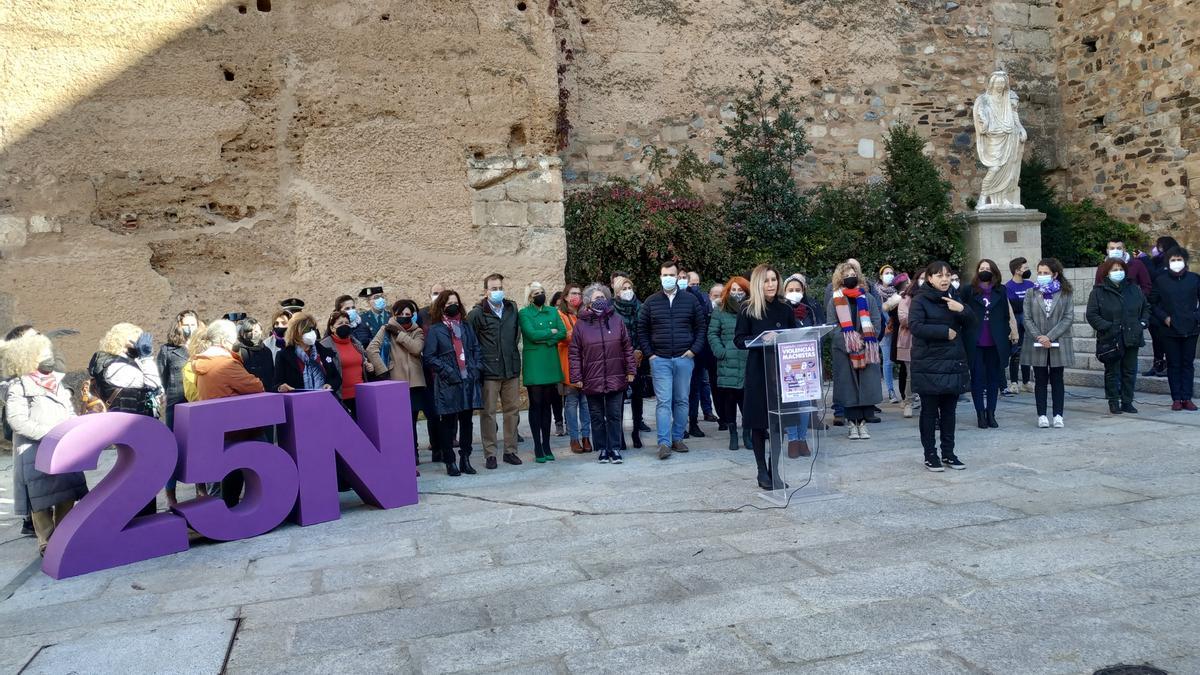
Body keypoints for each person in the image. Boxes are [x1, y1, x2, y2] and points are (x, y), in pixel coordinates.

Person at [2, 332, 89, 555]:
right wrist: (50, 434)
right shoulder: (19, 386)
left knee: (66, 491)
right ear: (30, 356)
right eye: (43, 352)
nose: (48, 356)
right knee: (40, 499)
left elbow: (69, 410)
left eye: (48, 351)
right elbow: (16, 420)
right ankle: (47, 542)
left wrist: (72, 429)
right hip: (34, 450)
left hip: (63, 448)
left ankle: (65, 535)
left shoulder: (58, 383)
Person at [734, 264, 799, 488]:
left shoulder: (785, 308)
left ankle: (775, 470)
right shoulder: (748, 309)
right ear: (758, 283)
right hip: (758, 372)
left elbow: (793, 335)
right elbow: (739, 340)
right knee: (759, 423)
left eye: (774, 280)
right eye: (766, 280)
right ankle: (762, 471)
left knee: (778, 423)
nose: (771, 284)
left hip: (782, 372)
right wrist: (763, 338)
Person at [192, 320, 268, 507]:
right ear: (226, 339)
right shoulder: (225, 364)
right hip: (241, 427)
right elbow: (256, 385)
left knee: (228, 476)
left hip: (220, 428)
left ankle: (229, 511)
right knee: (264, 466)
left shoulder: (203, 363)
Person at [89, 323, 162, 515]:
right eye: (136, 338)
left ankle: (144, 517)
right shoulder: (114, 365)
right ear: (123, 341)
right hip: (131, 426)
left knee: (143, 473)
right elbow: (153, 383)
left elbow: (154, 389)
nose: (140, 342)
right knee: (140, 476)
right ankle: (140, 519)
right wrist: (147, 358)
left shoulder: (123, 361)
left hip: (136, 424)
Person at [909, 261, 974, 471]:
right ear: (929, 278)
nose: (944, 279)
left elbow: (972, 322)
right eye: (939, 275)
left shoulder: (955, 297)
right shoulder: (920, 300)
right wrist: (943, 332)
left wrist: (962, 309)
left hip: (953, 361)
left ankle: (949, 453)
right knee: (929, 411)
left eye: (947, 275)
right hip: (929, 362)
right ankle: (930, 454)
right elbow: (915, 326)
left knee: (949, 411)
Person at [638, 260, 706, 460]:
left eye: (671, 275)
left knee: (682, 400)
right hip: (660, 360)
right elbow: (642, 329)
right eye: (664, 275)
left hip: (684, 358)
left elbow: (701, 327)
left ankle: (677, 438)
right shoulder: (651, 301)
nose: (668, 278)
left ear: (678, 276)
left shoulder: (690, 300)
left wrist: (694, 350)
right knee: (664, 402)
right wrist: (650, 354)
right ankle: (664, 443)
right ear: (660, 276)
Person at [570, 283, 636, 464]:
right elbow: (574, 353)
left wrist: (631, 370)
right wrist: (576, 377)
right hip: (592, 377)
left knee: (615, 414)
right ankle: (602, 449)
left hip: (616, 375)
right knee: (597, 416)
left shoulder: (616, 320)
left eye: (602, 297)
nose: (600, 300)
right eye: (595, 298)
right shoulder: (581, 325)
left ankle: (614, 448)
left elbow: (627, 347)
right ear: (588, 303)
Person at [423, 289, 484, 476]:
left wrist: (475, 369)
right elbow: (430, 357)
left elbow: (475, 349)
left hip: (468, 381)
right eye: (448, 303)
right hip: (448, 383)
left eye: (455, 302)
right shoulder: (436, 330)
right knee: (448, 424)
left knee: (467, 422)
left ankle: (465, 458)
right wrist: (447, 371)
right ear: (441, 306)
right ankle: (450, 460)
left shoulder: (465, 327)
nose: (453, 306)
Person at [467, 273, 524, 469]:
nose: (497, 291)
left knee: (512, 411)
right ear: (486, 291)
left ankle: (510, 451)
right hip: (489, 371)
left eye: (500, 287)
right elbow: (471, 342)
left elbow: (515, 335)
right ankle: (490, 453)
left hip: (511, 369)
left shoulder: (511, 308)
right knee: (488, 413)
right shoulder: (476, 313)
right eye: (493, 288)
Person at [826, 262, 884, 440]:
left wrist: (863, 341)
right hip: (844, 351)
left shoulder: (868, 298)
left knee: (865, 388)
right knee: (848, 389)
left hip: (866, 349)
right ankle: (852, 424)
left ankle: (863, 424)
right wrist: (849, 342)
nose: (850, 276)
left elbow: (876, 322)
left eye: (853, 273)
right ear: (840, 278)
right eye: (846, 274)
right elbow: (831, 326)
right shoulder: (834, 299)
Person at [1086, 257, 1149, 414]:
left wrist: (1142, 324)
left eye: (1120, 269)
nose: (1118, 272)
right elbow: (1092, 315)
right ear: (1107, 273)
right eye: (1114, 270)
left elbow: (1145, 308)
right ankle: (1113, 400)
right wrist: (1108, 327)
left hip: (1132, 335)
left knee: (1129, 370)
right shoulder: (1098, 292)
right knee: (1113, 371)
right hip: (1111, 337)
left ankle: (1127, 401)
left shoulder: (1134, 289)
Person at [368, 299, 426, 465]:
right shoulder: (385, 329)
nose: (404, 317)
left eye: (407, 314)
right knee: (399, 422)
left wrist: (399, 334)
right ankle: (403, 452)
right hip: (396, 381)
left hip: (415, 383)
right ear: (394, 314)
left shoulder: (417, 331)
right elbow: (372, 349)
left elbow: (416, 348)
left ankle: (414, 453)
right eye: (400, 314)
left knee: (412, 421)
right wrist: (383, 371)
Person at [961, 258, 1017, 429]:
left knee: (994, 379)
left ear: (994, 272)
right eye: (981, 268)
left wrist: (1009, 333)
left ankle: (991, 412)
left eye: (988, 268)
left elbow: (1005, 315)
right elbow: (962, 312)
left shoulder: (1001, 290)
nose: (984, 270)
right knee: (977, 379)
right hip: (975, 341)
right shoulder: (968, 290)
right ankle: (980, 414)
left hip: (995, 341)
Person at [1021, 258, 1075, 428]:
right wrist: (1039, 337)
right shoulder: (1031, 292)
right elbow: (1027, 318)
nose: (1042, 276)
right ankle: (1042, 414)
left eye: (1046, 273)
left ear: (1055, 274)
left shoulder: (1065, 293)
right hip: (1037, 342)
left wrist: (1050, 337)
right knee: (1040, 378)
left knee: (1057, 378)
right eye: (1040, 273)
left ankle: (1058, 414)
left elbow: (1068, 317)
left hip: (1058, 341)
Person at [518, 282, 566, 463]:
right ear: (530, 296)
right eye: (536, 293)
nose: (540, 295)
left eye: (542, 292)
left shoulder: (553, 311)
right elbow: (531, 334)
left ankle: (547, 444)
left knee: (548, 404)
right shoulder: (524, 313)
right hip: (534, 363)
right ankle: (537, 445)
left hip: (550, 361)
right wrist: (549, 333)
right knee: (536, 404)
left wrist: (545, 337)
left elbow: (561, 332)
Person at [157, 310, 201, 507]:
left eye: (193, 324)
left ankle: (201, 489)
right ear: (179, 326)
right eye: (186, 324)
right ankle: (171, 496)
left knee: (199, 448)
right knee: (173, 451)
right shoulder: (167, 350)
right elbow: (161, 378)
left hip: (198, 403)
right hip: (176, 405)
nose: (190, 328)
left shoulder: (201, 348)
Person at [1148, 247, 1200, 411]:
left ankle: (1187, 397)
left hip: (1190, 328)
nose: (1176, 263)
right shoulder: (1160, 280)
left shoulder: (1194, 279)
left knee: (1187, 364)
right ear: (1167, 262)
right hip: (1169, 329)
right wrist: (1164, 318)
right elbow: (1152, 303)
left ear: (1185, 261)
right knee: (1174, 364)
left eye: (1179, 259)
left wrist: (1196, 317)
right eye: (1173, 260)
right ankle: (1176, 398)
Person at [782, 273, 823, 457]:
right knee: (791, 403)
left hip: (806, 362)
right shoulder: (780, 310)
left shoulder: (809, 310)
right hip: (787, 363)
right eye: (790, 290)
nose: (794, 293)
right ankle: (792, 440)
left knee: (805, 403)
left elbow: (817, 331)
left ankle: (802, 438)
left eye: (798, 290)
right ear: (784, 292)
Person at [708, 276, 749, 451]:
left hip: (748, 361)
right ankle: (733, 435)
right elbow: (712, 333)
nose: (737, 293)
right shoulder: (720, 309)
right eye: (733, 290)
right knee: (730, 400)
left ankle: (747, 435)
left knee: (748, 401)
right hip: (727, 362)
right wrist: (720, 352)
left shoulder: (752, 309)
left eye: (740, 290)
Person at [612, 275, 651, 449]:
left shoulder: (641, 307)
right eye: (623, 289)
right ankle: (619, 434)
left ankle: (636, 431)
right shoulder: (611, 310)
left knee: (637, 395)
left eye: (629, 288)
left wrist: (640, 351)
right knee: (619, 397)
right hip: (620, 358)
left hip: (639, 357)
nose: (628, 292)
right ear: (617, 292)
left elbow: (645, 330)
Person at [557, 284, 592, 453]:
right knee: (571, 403)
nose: (576, 296)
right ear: (565, 296)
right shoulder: (559, 315)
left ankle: (586, 436)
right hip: (568, 364)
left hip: (586, 365)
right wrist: (571, 335)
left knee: (586, 403)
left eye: (579, 293)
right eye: (573, 293)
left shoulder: (585, 314)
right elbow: (560, 337)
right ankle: (574, 439)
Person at [321, 310, 373, 418]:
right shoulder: (324, 345)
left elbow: (362, 362)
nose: (344, 326)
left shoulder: (356, 343)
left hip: (361, 395)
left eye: (346, 323)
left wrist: (368, 366)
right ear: (331, 328)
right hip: (341, 397)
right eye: (340, 323)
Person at [274, 312, 341, 394]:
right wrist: (281, 387)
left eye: (313, 328)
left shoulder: (323, 351)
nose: (312, 332)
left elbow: (336, 377)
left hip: (324, 399)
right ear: (296, 332)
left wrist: (330, 385)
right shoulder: (283, 355)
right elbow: (276, 384)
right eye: (307, 329)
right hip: (298, 402)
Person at [1143, 236, 1179, 377]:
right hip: (1154, 305)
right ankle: (1158, 364)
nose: (1155, 249)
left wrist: (1145, 260)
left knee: (1165, 338)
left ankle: (1168, 365)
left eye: (1158, 246)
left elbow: (1156, 276)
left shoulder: (1171, 261)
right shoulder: (1156, 261)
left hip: (1166, 307)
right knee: (1156, 337)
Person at [419, 283, 446, 458]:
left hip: (448, 368)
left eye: (441, 293)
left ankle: (449, 441)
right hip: (429, 370)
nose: (438, 296)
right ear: (430, 295)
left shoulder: (451, 312)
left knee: (450, 409)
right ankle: (436, 445)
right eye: (435, 293)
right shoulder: (422, 314)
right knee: (433, 411)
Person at [1003, 257, 1036, 395]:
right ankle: (1014, 383)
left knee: (1027, 352)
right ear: (1017, 270)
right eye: (1025, 268)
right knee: (1016, 352)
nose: (1027, 270)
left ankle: (1026, 382)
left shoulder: (1030, 284)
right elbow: (1012, 306)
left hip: (1028, 320)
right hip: (1016, 321)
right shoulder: (1007, 287)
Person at [891, 273, 918, 418]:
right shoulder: (905, 298)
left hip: (926, 340)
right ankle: (908, 402)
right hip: (908, 340)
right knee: (910, 374)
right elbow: (903, 318)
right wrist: (921, 320)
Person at [876, 265, 900, 404]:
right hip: (885, 330)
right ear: (881, 276)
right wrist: (883, 326)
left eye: (891, 273)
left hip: (898, 328)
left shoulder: (898, 290)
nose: (889, 275)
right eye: (886, 273)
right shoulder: (876, 291)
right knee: (888, 361)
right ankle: (891, 390)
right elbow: (877, 311)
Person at [235, 317, 276, 394]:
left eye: (256, 331)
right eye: (250, 331)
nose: (253, 334)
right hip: (248, 394)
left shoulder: (266, 351)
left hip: (267, 393)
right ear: (243, 333)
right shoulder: (239, 351)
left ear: (261, 331)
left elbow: (271, 375)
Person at [549, 290, 567, 437]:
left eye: (561, 306)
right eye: (556, 305)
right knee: (556, 396)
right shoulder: (552, 318)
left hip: (566, 360)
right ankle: (559, 422)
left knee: (569, 395)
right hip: (554, 360)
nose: (558, 309)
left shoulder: (568, 317)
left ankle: (569, 421)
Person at [358, 286, 391, 354]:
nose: (381, 299)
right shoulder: (363, 318)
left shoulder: (391, 316)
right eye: (376, 297)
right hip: (373, 356)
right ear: (368, 302)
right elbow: (364, 341)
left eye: (382, 297)